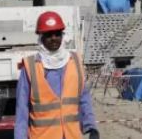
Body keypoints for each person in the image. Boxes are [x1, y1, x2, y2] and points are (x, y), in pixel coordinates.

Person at [15, 11, 99, 139]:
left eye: (57, 34)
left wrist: (91, 127)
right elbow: (22, 109)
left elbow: (84, 99)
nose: (54, 38)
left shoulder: (75, 62)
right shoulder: (30, 67)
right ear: (41, 37)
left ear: (62, 36)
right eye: (49, 34)